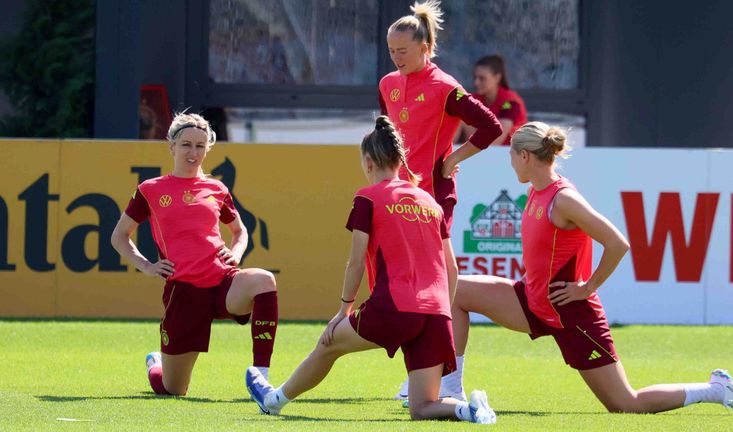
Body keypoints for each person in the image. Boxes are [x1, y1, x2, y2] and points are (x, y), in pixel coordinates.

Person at [438, 121, 733, 415]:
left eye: (511, 156)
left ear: (524, 156)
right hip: (533, 301)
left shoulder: (563, 199)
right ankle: (450, 391)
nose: (509, 163)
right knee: (456, 291)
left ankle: (715, 389)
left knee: (625, 404)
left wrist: (587, 287)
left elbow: (618, 243)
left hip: (571, 312)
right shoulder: (535, 189)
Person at [244, 116, 496, 424]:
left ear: (368, 161)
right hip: (436, 314)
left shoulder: (367, 197)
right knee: (423, 408)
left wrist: (343, 310)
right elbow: (452, 268)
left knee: (329, 343)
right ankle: (468, 410)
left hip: (394, 307)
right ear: (399, 159)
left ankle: (273, 401)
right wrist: (443, 309)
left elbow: (355, 261)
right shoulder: (430, 201)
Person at [380, 0, 502, 402]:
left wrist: (451, 159)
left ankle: (443, 373)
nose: (396, 58)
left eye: (403, 51)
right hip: (396, 195)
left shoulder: (445, 86)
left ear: (425, 48)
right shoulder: (387, 84)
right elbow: (388, 135)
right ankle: (429, 374)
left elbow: (490, 126)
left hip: (432, 196)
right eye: (391, 51)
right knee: (409, 281)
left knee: (437, 281)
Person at [111, 113, 279, 396]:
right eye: (187, 144)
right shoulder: (150, 189)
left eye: (200, 146)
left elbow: (240, 231)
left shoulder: (217, 188)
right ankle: (157, 363)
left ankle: (260, 377)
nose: (193, 152)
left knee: (264, 281)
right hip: (184, 291)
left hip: (222, 281)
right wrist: (147, 266)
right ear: (172, 146)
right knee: (173, 389)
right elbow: (119, 236)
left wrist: (236, 253)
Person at [459, 54, 527, 146]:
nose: (476, 83)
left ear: (497, 78)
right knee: (458, 115)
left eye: (482, 78)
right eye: (475, 78)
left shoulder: (510, 102)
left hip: (508, 155)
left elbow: (495, 141)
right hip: (478, 152)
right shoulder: (474, 99)